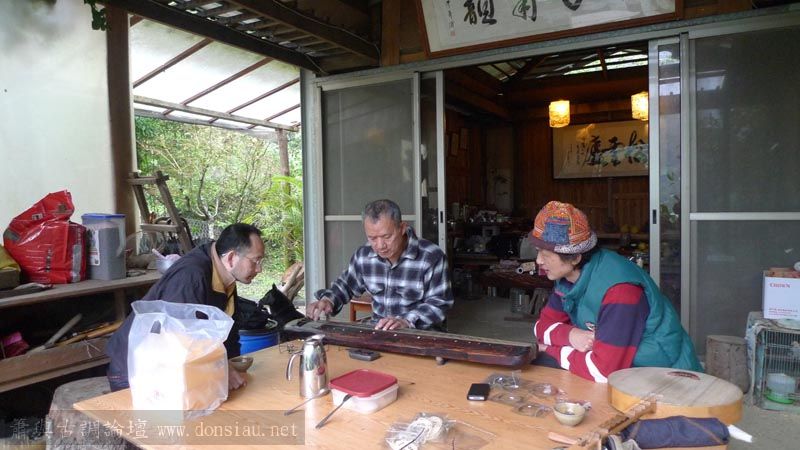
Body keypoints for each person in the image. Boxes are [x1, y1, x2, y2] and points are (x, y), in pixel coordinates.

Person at [530, 201, 702, 382]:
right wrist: (571, 335)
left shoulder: (621, 291)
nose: (539, 261)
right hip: (630, 376)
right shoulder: (567, 279)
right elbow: (541, 327)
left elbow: (602, 371)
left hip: (668, 381)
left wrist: (549, 350)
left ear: (575, 258)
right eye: (538, 251)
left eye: (546, 255)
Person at [106, 223, 265, 391]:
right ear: (231, 258)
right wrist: (222, 368)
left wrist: (232, 364)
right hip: (136, 369)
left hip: (172, 365)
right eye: (255, 261)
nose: (259, 269)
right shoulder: (191, 277)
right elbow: (179, 341)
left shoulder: (227, 277)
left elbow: (229, 330)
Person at [306, 199, 453, 331]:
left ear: (402, 228)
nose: (380, 245)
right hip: (379, 332)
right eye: (372, 238)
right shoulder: (364, 256)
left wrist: (406, 321)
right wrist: (328, 300)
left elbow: (439, 303)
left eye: (387, 236)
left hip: (421, 335)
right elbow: (346, 285)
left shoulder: (431, 257)